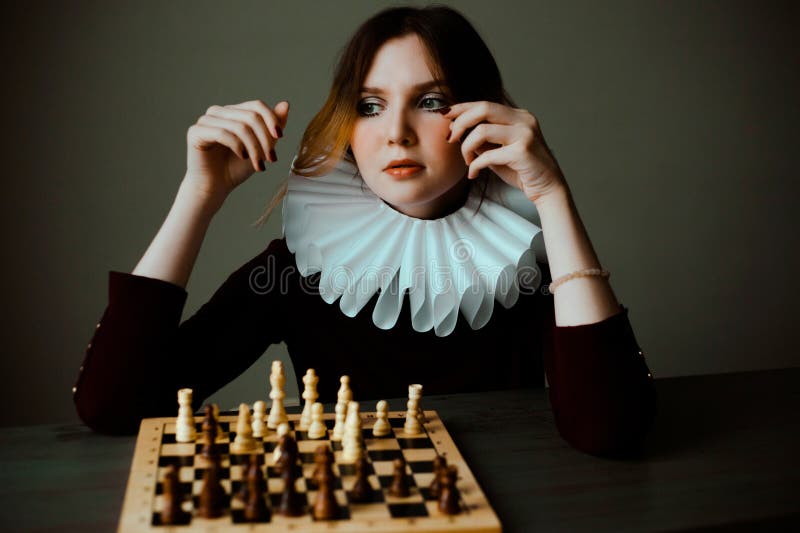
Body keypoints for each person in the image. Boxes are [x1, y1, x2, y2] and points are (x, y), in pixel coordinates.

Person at [73, 4, 656, 459]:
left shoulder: (526, 266)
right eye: (371, 105)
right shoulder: (295, 270)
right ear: (348, 126)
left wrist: (552, 196)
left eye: (431, 101)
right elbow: (113, 406)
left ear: (481, 115)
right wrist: (197, 197)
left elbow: (612, 430)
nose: (396, 132)